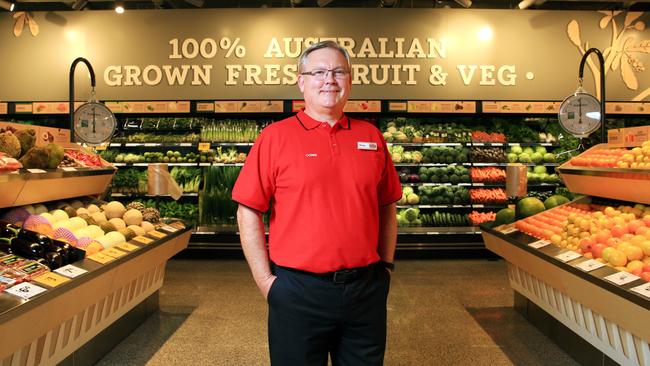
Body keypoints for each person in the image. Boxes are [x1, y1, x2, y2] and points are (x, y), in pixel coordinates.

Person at [232, 40, 402, 366]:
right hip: (297, 291)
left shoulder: (372, 137)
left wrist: (386, 269)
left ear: (350, 81)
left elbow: (387, 207)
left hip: (365, 290)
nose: (330, 80)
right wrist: (266, 282)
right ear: (301, 81)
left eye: (339, 72)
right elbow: (248, 210)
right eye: (319, 72)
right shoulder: (275, 138)